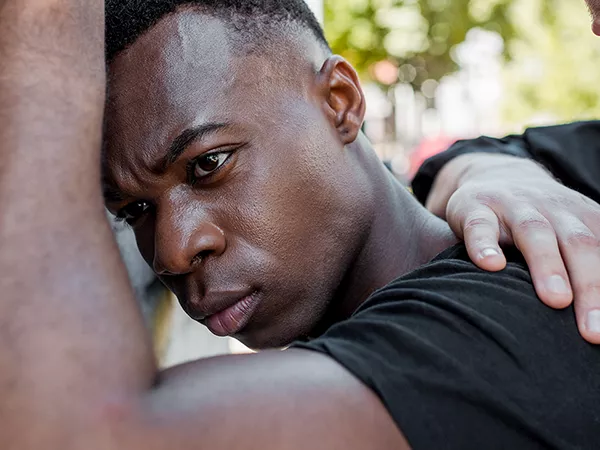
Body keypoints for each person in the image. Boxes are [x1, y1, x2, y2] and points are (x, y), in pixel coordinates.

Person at [1, 1, 599, 450]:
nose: (173, 252)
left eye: (208, 164)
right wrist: (478, 167)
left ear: (340, 101)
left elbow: (73, 431)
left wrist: (40, 39)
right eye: (134, 211)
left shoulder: (505, 316)